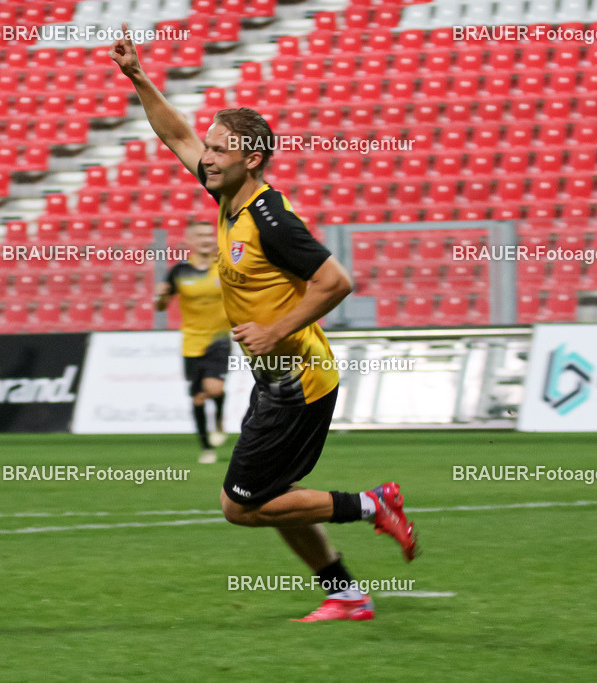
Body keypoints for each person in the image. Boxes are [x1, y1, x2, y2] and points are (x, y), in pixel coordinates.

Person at [111, 24, 417, 622]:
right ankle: (348, 595)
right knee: (270, 499)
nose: (207, 155)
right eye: (209, 146)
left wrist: (276, 330)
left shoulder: (271, 219)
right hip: (276, 379)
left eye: (220, 148)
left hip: (297, 380)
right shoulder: (226, 199)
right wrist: (139, 77)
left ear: (251, 158)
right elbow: (175, 133)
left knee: (240, 506)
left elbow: (338, 281)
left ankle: (373, 504)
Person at [156, 221, 232, 464]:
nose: (206, 239)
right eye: (200, 235)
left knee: (214, 389)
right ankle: (206, 447)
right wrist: (160, 295)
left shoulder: (226, 265)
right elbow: (161, 306)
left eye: (210, 234)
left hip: (219, 337)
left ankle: (219, 418)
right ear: (191, 240)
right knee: (198, 398)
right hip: (191, 341)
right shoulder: (179, 271)